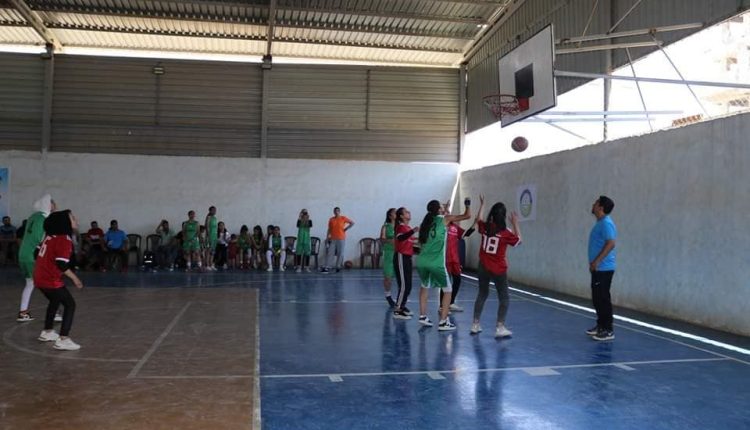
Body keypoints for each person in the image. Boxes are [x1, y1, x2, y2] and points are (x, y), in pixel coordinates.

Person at [416, 199, 471, 331]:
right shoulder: (445, 219)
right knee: (448, 290)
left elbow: (420, 244)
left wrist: (445, 208)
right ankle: (443, 322)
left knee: (424, 286)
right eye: (442, 206)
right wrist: (467, 205)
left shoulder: (426, 222)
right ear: (439, 209)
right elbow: (467, 215)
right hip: (436, 262)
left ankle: (423, 316)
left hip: (422, 261)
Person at [470, 196, 521, 338]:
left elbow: (478, 219)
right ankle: (500, 327)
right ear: (503, 216)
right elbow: (518, 241)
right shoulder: (505, 232)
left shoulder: (486, 227)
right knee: (504, 297)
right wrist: (515, 223)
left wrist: (482, 204)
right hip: (498, 269)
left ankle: (475, 324)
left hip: (483, 266)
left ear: (492, 214)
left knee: (482, 293)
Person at [35, 210, 84, 351]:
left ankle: (47, 332)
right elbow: (61, 264)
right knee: (70, 304)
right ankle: (63, 339)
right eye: (73, 218)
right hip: (50, 279)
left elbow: (36, 253)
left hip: (39, 277)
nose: (76, 220)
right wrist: (75, 279)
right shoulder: (64, 239)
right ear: (65, 222)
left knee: (55, 300)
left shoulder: (49, 236)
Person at [16, 194, 56, 322]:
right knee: (48, 282)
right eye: (52, 202)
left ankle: (23, 312)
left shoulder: (33, 217)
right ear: (47, 205)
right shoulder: (44, 218)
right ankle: (54, 312)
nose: (54, 205)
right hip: (33, 255)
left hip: (23, 254)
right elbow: (41, 239)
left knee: (30, 284)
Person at [586, 195, 617, 341]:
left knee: (603, 299)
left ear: (601, 207)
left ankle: (608, 330)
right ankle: (601, 326)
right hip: (598, 268)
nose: (593, 204)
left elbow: (611, 243)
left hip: (604, 268)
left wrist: (597, 261)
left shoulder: (606, 223)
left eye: (596, 203)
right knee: (597, 299)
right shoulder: (600, 223)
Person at [440, 201, 477, 313]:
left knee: (457, 280)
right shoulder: (442, 225)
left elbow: (466, 234)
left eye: (449, 211)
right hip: (445, 258)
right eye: (446, 211)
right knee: (446, 282)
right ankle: (442, 306)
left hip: (455, 258)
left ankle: (451, 303)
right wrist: (445, 208)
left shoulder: (454, 227)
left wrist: (475, 223)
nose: (448, 213)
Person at [392, 207, 418, 320]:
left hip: (408, 258)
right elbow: (400, 238)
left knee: (408, 286)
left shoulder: (408, 228)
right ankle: (397, 310)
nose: (409, 213)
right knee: (403, 285)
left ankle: (402, 306)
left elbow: (410, 245)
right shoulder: (401, 227)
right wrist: (413, 231)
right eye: (406, 212)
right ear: (401, 216)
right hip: (401, 257)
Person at [321, 207, 354, 273]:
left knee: (340, 253)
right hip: (333, 238)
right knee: (330, 252)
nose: (336, 212)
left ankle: (338, 266)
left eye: (337, 211)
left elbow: (352, 223)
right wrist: (327, 237)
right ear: (334, 212)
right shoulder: (331, 219)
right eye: (335, 211)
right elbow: (329, 229)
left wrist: (346, 229)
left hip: (341, 238)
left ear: (339, 212)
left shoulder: (343, 218)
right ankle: (328, 267)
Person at [379, 208, 397, 307]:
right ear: (390, 216)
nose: (396, 214)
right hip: (389, 253)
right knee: (388, 277)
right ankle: (388, 295)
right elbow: (382, 239)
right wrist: (391, 241)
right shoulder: (385, 227)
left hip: (399, 253)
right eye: (395, 212)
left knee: (400, 278)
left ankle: (401, 298)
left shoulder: (400, 226)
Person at [204, 206, 218, 271]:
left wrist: (216, 236)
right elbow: (207, 227)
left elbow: (216, 228)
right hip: (210, 236)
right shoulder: (208, 217)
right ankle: (207, 265)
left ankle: (211, 264)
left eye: (215, 210)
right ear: (210, 211)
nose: (215, 211)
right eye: (213, 210)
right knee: (208, 251)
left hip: (215, 236)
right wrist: (208, 236)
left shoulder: (215, 218)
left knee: (213, 251)